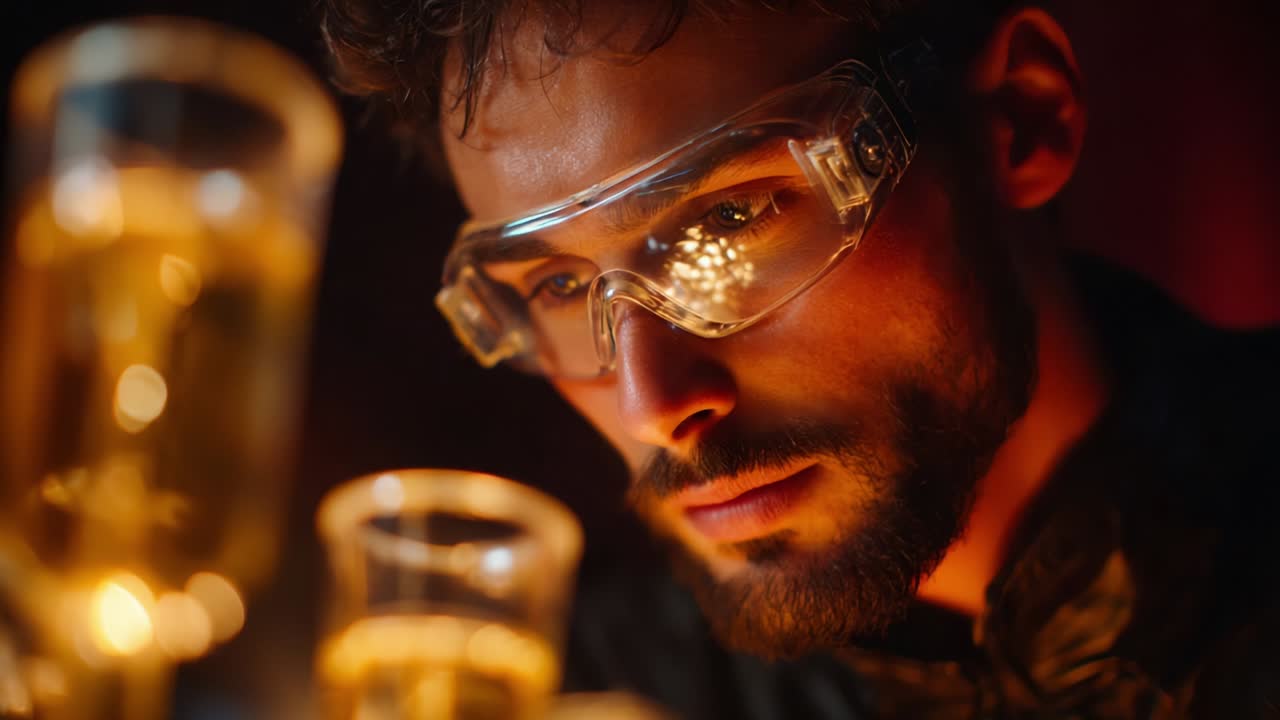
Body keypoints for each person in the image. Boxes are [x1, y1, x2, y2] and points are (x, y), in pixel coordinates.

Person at [319, 1, 1280, 716]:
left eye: (731, 218)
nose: (653, 401)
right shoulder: (580, 689)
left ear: (1017, 119)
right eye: (560, 289)